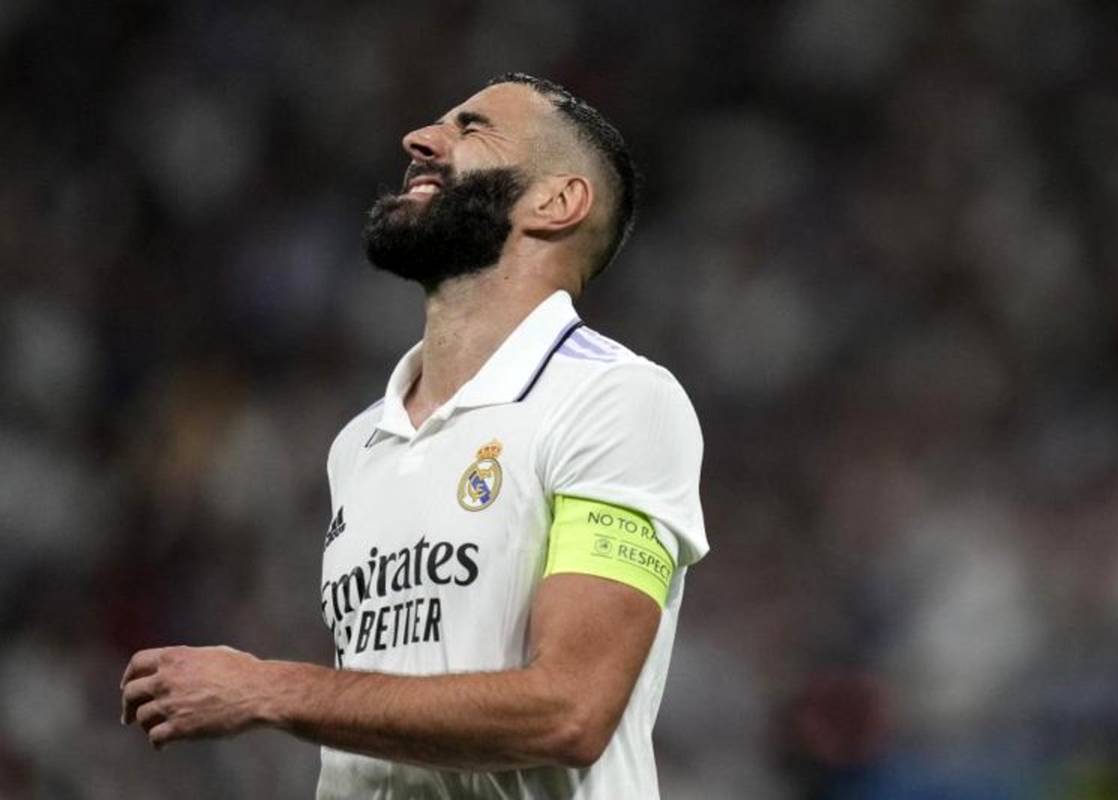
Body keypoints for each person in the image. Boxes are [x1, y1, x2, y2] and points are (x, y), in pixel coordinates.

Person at [120, 72, 709, 799]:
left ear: (557, 202)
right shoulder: (360, 443)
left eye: (471, 127)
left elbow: (570, 712)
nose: (420, 140)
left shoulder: (615, 399)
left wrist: (269, 688)